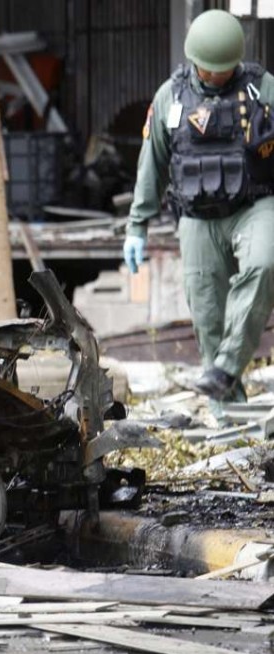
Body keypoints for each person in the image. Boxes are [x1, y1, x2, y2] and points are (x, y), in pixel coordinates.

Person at [126, 9, 274, 410]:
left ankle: (227, 367)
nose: (214, 76)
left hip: (253, 204)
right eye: (208, 70)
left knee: (264, 264)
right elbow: (151, 163)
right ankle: (229, 418)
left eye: (223, 70)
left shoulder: (262, 88)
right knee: (208, 313)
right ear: (194, 61)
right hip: (196, 217)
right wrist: (136, 226)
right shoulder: (170, 97)